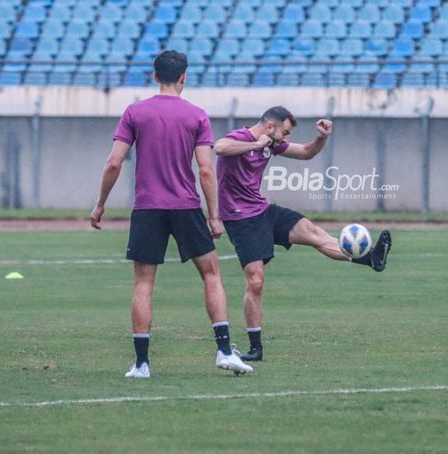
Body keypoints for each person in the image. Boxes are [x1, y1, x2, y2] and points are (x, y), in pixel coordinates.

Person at [90, 50, 252, 377]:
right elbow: (206, 170)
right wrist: (214, 215)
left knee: (143, 284)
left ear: (154, 76)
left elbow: (113, 162)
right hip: (186, 206)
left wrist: (100, 204)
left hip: (148, 208)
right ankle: (223, 351)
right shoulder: (196, 116)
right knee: (211, 274)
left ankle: (141, 364)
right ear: (183, 77)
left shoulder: (135, 112)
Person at [214, 106, 393, 362]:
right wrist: (256, 145)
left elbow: (307, 153)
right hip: (240, 218)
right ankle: (256, 347)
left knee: (312, 232)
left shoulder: (272, 143)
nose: (285, 138)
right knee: (256, 281)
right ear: (269, 127)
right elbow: (220, 147)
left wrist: (321, 137)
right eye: (284, 132)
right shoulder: (242, 137)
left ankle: (371, 258)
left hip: (263, 210)